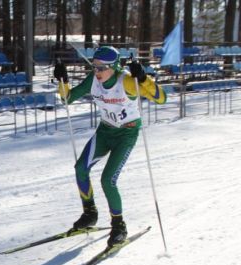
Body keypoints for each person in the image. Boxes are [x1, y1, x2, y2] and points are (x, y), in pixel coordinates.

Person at [58, 46, 167, 247]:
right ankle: (89, 213)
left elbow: (161, 98)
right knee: (80, 168)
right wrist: (62, 81)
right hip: (105, 131)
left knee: (108, 180)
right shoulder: (93, 80)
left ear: (114, 67)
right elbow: (67, 99)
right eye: (94, 67)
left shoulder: (126, 81)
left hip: (126, 134)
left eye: (101, 68)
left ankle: (119, 225)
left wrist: (143, 79)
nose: (96, 72)